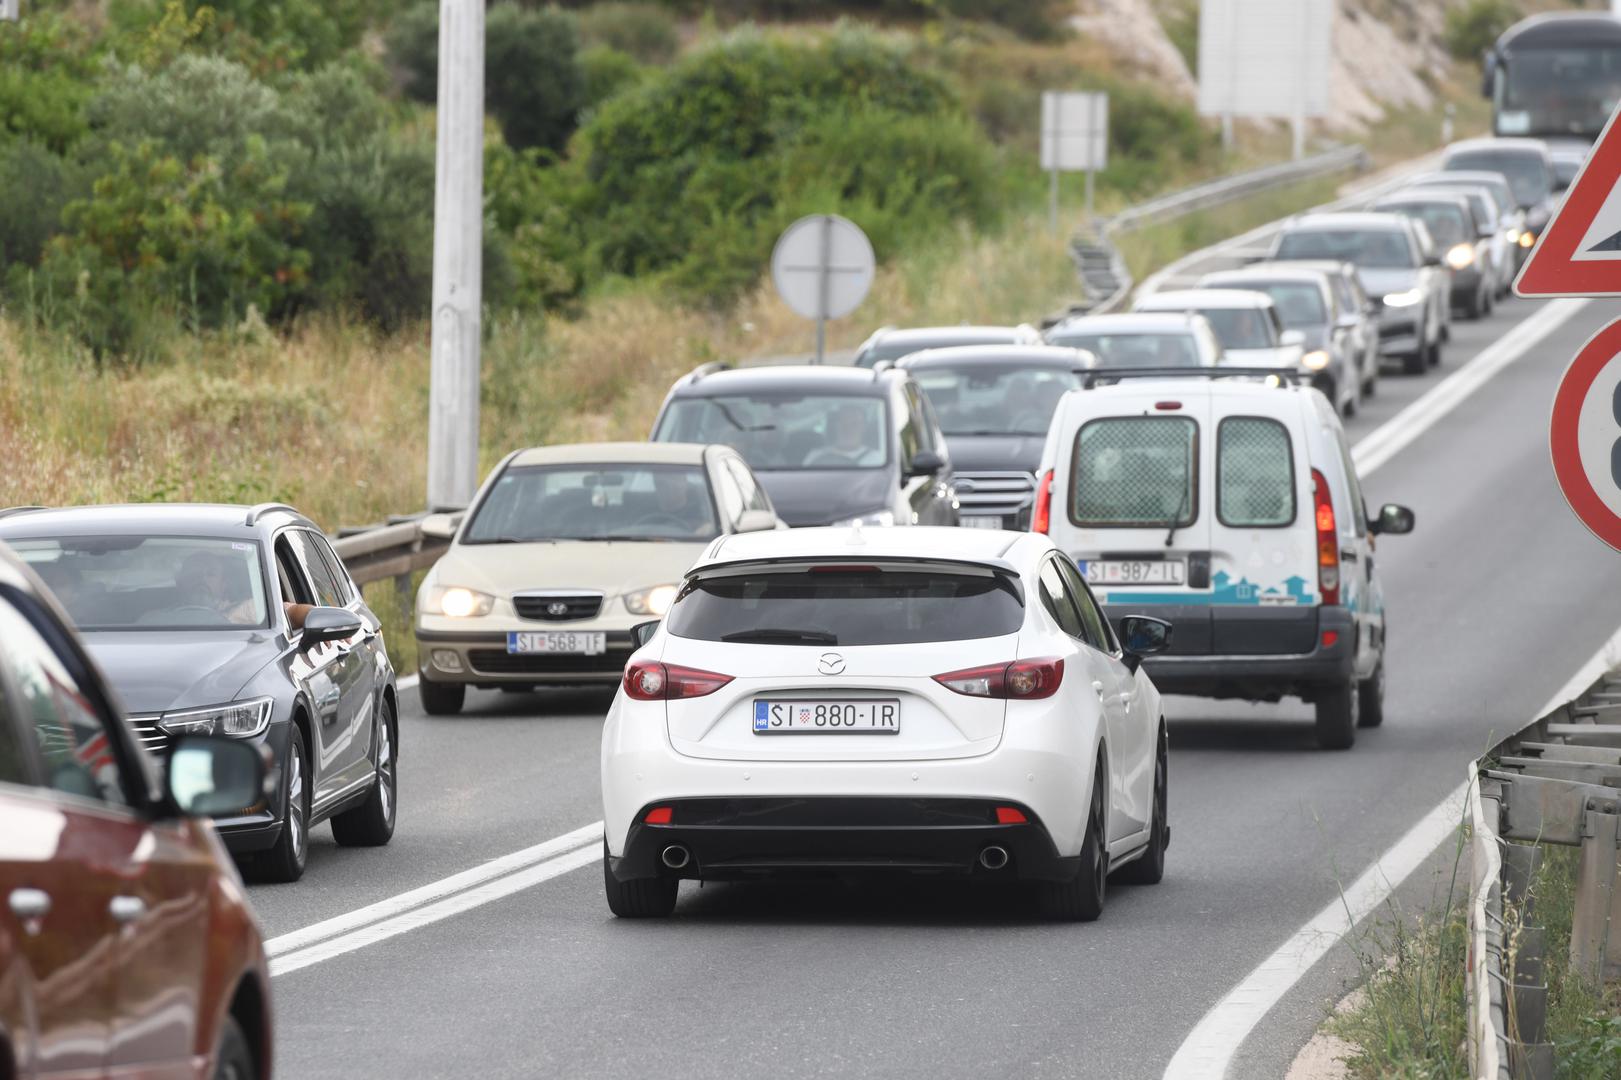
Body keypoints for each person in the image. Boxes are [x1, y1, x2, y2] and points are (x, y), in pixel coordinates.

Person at [806, 404, 875, 467]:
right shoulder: (815, 456)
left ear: (864, 427)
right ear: (836, 425)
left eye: (854, 423)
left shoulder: (877, 459)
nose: (849, 428)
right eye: (844, 422)